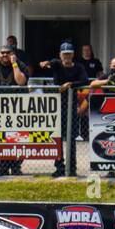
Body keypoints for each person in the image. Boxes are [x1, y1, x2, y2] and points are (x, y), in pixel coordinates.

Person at [40, 43, 90, 177]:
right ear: (60, 55)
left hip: (72, 105)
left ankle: (71, 168)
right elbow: (49, 63)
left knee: (71, 138)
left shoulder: (79, 67)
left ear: (73, 55)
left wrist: (70, 84)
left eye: (69, 54)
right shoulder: (57, 64)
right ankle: (59, 167)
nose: (67, 56)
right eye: (64, 54)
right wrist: (45, 63)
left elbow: (85, 81)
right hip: (57, 105)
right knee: (57, 138)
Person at [0, 46, 30, 177]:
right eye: (2, 53)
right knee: (1, 137)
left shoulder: (20, 65)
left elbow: (21, 82)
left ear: (13, 54)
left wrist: (14, 64)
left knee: (17, 137)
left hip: (18, 107)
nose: (4, 55)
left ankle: (16, 167)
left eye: (7, 53)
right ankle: (2, 167)